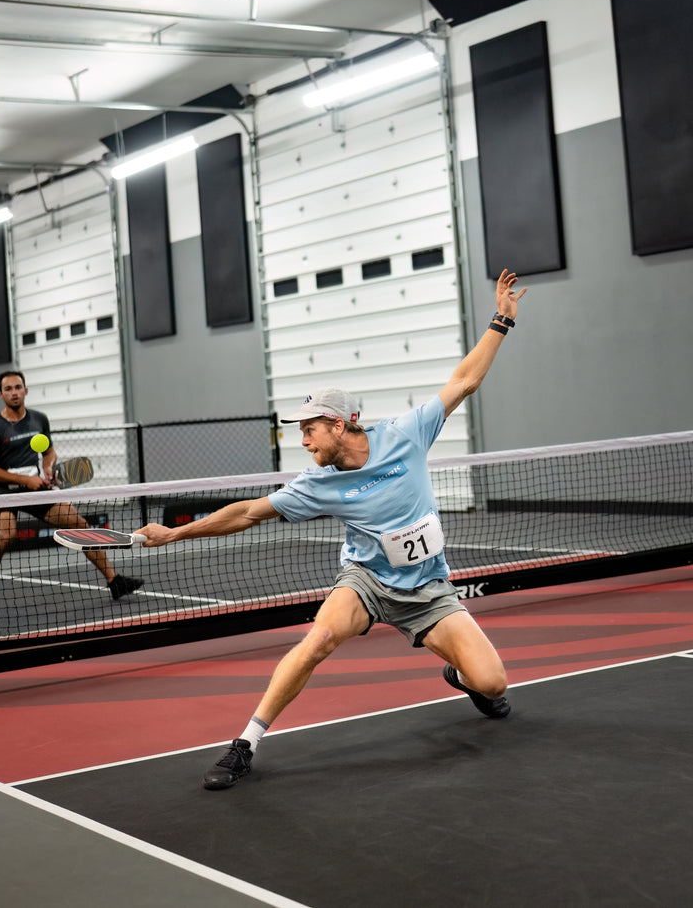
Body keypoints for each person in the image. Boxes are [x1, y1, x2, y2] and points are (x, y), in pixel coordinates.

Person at [138, 268, 527, 789]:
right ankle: (244, 744)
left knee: (492, 683)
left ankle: (458, 673)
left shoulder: (406, 435)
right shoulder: (316, 483)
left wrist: (501, 320)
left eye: (310, 429)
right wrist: (174, 534)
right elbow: (248, 512)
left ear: (340, 424)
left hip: (429, 588)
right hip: (366, 580)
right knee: (319, 638)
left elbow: (464, 381)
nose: (303, 440)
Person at [0, 370, 143, 621]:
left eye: (18, 387)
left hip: (35, 488)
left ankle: (114, 582)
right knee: (6, 535)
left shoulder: (39, 419)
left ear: (26, 390)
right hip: (2, 493)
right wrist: (24, 480)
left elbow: (48, 451)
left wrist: (48, 467)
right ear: (0, 394)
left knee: (80, 525)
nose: (14, 392)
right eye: (8, 389)